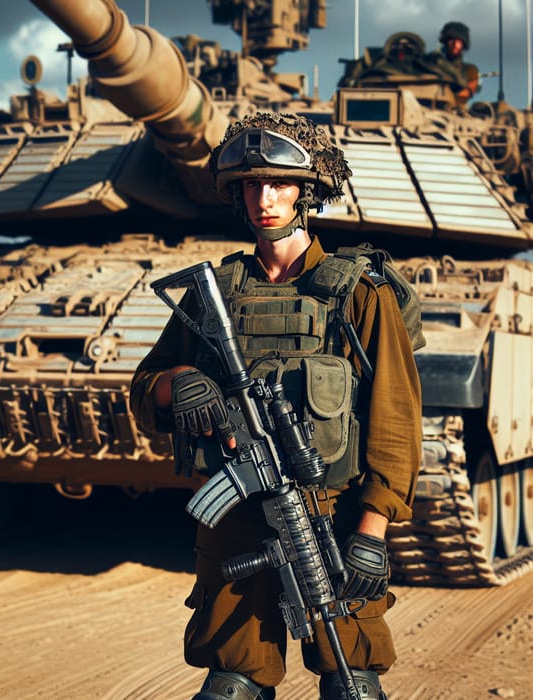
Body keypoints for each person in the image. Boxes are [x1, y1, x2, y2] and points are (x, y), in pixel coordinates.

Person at [129, 112, 422, 700]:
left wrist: (372, 530)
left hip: (331, 517)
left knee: (351, 680)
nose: (265, 198)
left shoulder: (361, 291)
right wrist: (178, 381)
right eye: (251, 184)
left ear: (306, 192)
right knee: (231, 683)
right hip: (237, 518)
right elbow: (144, 387)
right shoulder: (216, 290)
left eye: (280, 184)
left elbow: (396, 421)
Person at [432, 21, 479, 106]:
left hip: (456, 110)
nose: (455, 44)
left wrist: (448, 96)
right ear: (446, 42)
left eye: (459, 41)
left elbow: (469, 91)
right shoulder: (433, 64)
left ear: (464, 45)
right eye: (451, 40)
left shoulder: (470, 69)